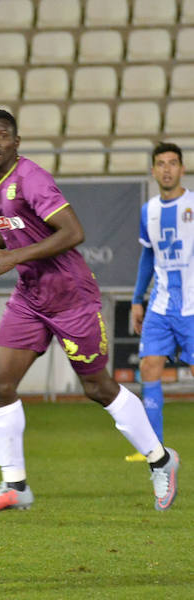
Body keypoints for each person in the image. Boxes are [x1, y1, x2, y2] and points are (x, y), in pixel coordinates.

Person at [0, 109, 179, 513]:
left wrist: (14, 258)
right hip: (30, 298)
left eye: (2, 135)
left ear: (16, 142)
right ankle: (15, 485)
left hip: (70, 296)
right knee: (0, 384)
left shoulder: (32, 177)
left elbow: (73, 232)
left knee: (97, 388)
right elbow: (8, 225)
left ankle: (162, 460)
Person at [126, 142, 193, 462]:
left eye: (173, 163)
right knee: (149, 367)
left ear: (182, 168)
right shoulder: (148, 210)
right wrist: (138, 299)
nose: (167, 169)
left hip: (192, 306)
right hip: (160, 304)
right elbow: (148, 255)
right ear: (153, 171)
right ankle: (154, 449)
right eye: (161, 164)